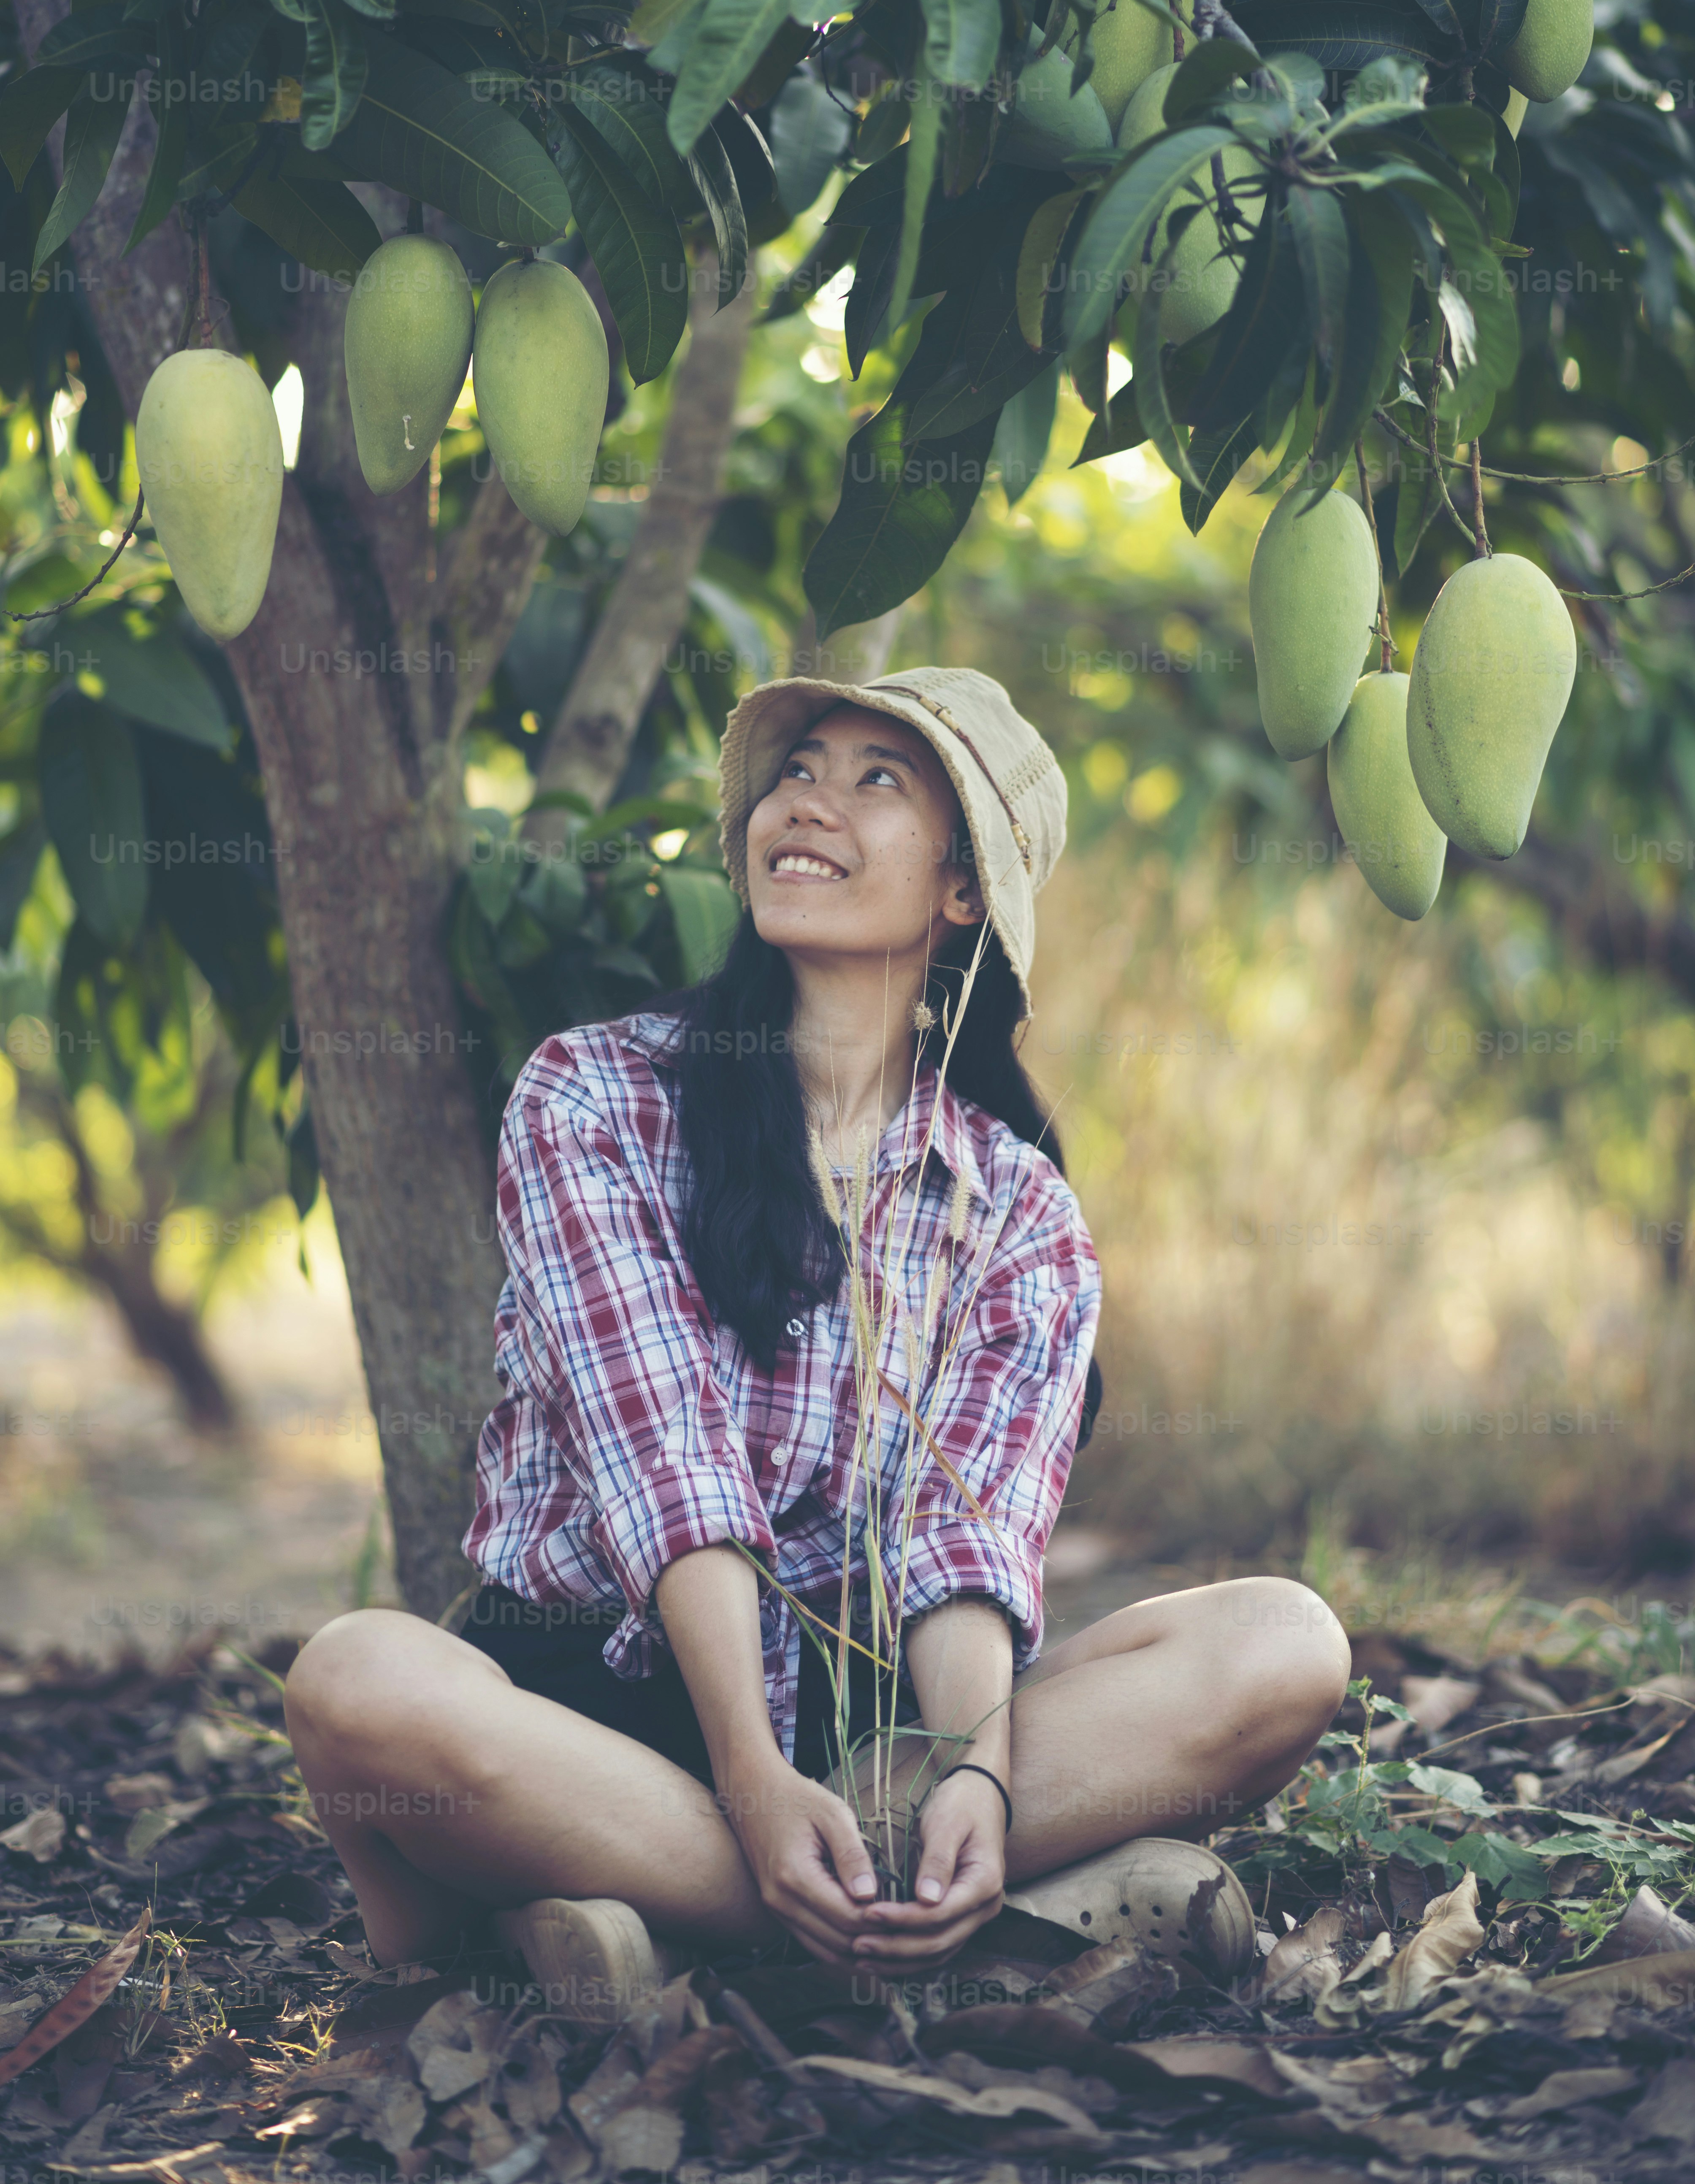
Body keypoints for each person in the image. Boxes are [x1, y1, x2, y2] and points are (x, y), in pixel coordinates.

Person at [285, 665, 1351, 2022]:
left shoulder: (1017, 1207)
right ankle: (889, 1912)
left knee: (1284, 1643)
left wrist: (972, 1772)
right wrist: (748, 1776)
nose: (809, 801)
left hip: (865, 1742)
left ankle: (659, 1915)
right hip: (580, 1708)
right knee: (357, 1683)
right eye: (798, 769)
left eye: (876, 780)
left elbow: (970, 1549)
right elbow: (666, 1460)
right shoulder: (598, 1095)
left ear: (963, 892)